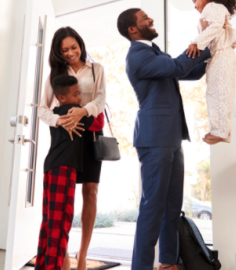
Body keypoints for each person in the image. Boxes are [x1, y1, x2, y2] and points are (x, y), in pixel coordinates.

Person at [117, 8, 211, 270]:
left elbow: (189, 71)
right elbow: (180, 65)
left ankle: (168, 262)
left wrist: (212, 53)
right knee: (152, 207)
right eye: (145, 18)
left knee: (171, 205)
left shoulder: (155, 52)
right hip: (154, 137)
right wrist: (202, 42)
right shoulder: (137, 55)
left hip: (171, 137)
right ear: (132, 30)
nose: (151, 19)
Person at [38, 27, 107, 270]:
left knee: (90, 193)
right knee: (62, 199)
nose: (70, 53)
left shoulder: (96, 69)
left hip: (90, 134)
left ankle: (83, 255)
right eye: (64, 50)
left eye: (73, 47)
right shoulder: (54, 74)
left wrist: (83, 110)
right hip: (66, 137)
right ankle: (63, 255)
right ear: (58, 52)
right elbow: (42, 108)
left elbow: (100, 99)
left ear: (81, 44)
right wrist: (59, 121)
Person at [187, 0, 236, 145]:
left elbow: (216, 27)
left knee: (221, 92)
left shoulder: (213, 6)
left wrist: (196, 42)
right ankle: (219, 130)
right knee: (214, 93)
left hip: (221, 54)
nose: (194, 4)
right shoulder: (212, 10)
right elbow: (215, 29)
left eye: (195, 0)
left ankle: (221, 131)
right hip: (217, 55)